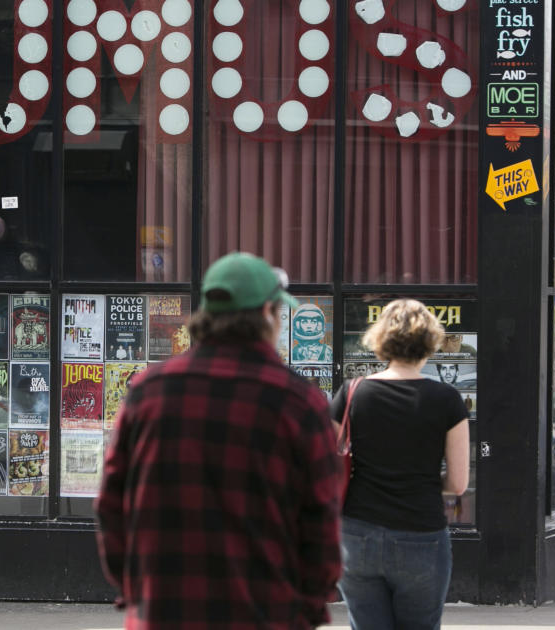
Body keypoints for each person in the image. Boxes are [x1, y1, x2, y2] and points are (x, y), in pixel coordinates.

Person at [95, 252, 342, 628]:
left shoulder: (148, 392)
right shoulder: (299, 402)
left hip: (165, 612)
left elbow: (112, 503)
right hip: (265, 615)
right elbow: (322, 524)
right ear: (266, 315)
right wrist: (304, 608)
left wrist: (139, 589)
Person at [330, 299, 469, 630]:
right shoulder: (447, 400)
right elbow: (459, 483)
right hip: (421, 532)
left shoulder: (353, 392)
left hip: (358, 532)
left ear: (381, 340)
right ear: (429, 342)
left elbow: (324, 462)